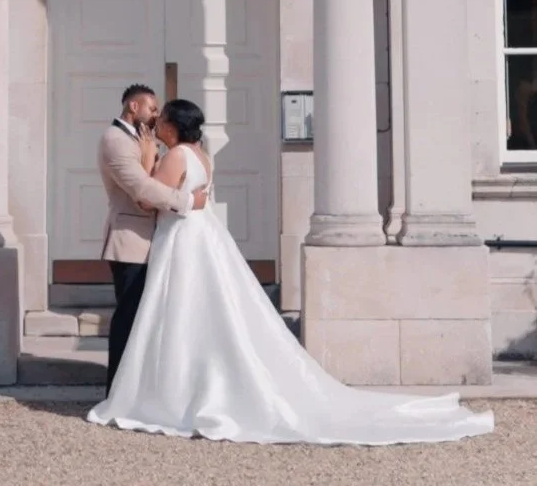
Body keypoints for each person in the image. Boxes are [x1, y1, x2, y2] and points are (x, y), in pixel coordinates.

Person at [88, 98, 494, 445]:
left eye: (162, 120)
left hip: (182, 236)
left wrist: (149, 165)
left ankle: (172, 391)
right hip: (202, 235)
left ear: (174, 126)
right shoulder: (202, 155)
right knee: (199, 309)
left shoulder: (175, 155)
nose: (156, 124)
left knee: (179, 309)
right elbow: (188, 195)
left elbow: (151, 201)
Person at [97, 84, 208, 394]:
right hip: (130, 240)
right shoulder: (115, 140)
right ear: (134, 106)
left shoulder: (146, 140)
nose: (157, 115)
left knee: (149, 321)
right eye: (152, 108)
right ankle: (117, 391)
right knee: (129, 318)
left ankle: (144, 387)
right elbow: (142, 190)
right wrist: (188, 202)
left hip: (157, 241)